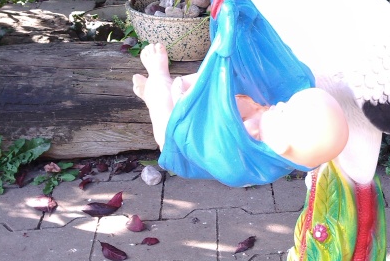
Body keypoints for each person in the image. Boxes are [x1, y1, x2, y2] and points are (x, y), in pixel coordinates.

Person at [132, 42, 349, 168]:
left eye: (284, 110)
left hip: (179, 144)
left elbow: (221, 124)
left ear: (281, 143)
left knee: (163, 105)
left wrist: (188, 94)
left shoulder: (252, 131)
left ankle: (158, 77)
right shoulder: (271, 131)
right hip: (197, 118)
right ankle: (153, 91)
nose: (281, 104)